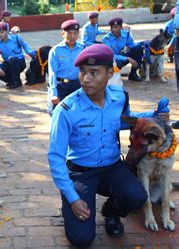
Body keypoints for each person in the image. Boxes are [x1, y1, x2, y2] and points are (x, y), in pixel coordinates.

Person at [47, 44, 170, 247]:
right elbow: (55, 157)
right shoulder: (66, 110)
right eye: (83, 72)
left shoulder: (119, 97)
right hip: (80, 173)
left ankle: (110, 212)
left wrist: (153, 116)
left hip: (111, 168)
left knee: (137, 196)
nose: (86, 79)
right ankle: (72, 203)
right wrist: (72, 198)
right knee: (82, 239)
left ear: (110, 73)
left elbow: (123, 121)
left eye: (94, 73)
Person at [47, 20, 84, 113]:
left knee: (77, 112)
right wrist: (53, 93)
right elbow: (52, 73)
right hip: (60, 86)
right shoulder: (55, 51)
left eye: (75, 33)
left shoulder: (82, 49)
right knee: (58, 112)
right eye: (69, 33)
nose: (72, 36)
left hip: (76, 85)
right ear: (63, 34)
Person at [0, 22, 35, 89]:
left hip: (19, 63)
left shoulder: (16, 38)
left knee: (12, 59)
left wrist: (33, 54)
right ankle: (12, 81)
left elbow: (25, 46)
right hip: (8, 63)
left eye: (2, 32)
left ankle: (16, 82)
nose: (0, 34)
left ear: (7, 31)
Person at [101, 17, 143, 81]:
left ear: (120, 27)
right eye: (111, 27)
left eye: (115, 27)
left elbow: (132, 47)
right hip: (113, 61)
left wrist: (141, 44)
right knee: (117, 64)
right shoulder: (106, 39)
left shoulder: (126, 34)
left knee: (138, 48)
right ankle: (113, 75)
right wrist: (128, 58)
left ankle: (133, 73)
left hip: (122, 56)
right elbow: (111, 55)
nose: (112, 29)